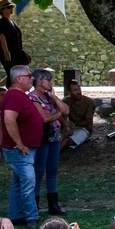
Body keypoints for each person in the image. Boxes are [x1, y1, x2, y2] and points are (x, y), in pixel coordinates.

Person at [0, 65, 43, 225]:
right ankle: (31, 217)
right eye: (29, 76)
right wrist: (20, 143)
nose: (32, 78)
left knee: (18, 182)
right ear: (19, 79)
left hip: (25, 148)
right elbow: (9, 120)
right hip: (20, 150)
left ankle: (15, 214)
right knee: (28, 182)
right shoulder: (14, 96)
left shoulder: (18, 96)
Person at [30, 69, 67, 218]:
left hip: (54, 137)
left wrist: (55, 99)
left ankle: (53, 203)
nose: (51, 83)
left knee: (52, 169)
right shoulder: (32, 98)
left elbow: (66, 109)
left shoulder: (49, 97)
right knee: (39, 170)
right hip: (42, 138)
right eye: (48, 80)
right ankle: (35, 203)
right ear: (39, 82)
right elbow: (44, 118)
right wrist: (59, 113)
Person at [0, 0, 28, 75]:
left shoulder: (11, 22)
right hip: (9, 52)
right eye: (8, 8)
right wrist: (6, 52)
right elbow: (2, 37)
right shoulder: (2, 22)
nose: (11, 9)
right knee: (12, 71)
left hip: (16, 52)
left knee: (16, 71)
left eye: (11, 7)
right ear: (3, 10)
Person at [63, 79, 96, 149]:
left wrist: (73, 124)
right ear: (69, 92)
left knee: (66, 140)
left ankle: (52, 157)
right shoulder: (65, 101)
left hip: (85, 129)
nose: (78, 92)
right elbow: (61, 115)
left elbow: (88, 121)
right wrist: (66, 124)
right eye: (75, 90)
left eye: (79, 89)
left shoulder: (89, 102)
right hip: (70, 127)